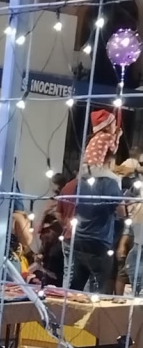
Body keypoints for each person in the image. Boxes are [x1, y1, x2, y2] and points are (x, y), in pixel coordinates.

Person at [64, 110, 126, 293]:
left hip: (79, 239)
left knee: (76, 287)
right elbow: (121, 213)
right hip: (99, 242)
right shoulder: (110, 182)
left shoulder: (80, 183)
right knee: (100, 289)